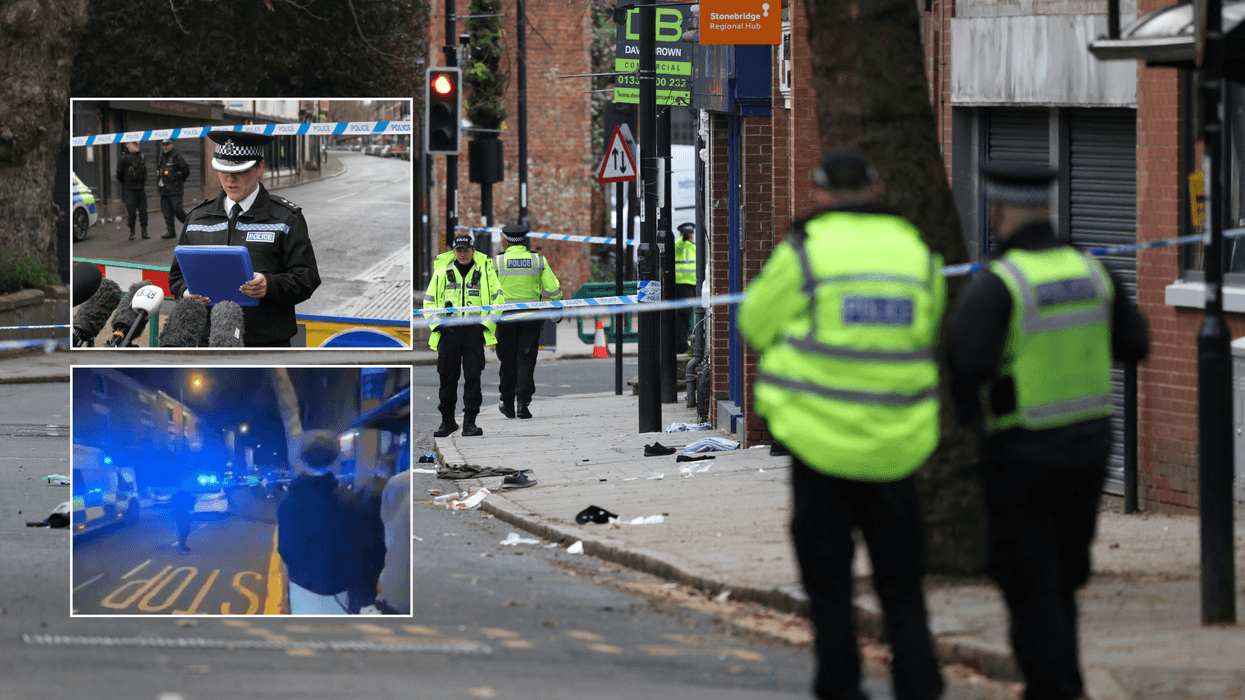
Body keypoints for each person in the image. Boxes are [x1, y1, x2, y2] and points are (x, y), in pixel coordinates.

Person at [739, 148, 946, 700]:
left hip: (820, 450)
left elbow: (754, 324)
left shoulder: (804, 253)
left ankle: (841, 687)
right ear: (876, 191)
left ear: (821, 194)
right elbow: (934, 333)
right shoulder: (917, 253)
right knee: (902, 587)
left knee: (828, 589)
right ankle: (919, 686)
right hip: (897, 450)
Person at [946, 162, 1149, 700]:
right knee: (1064, 578)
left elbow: (964, 363)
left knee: (1027, 580)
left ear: (996, 211)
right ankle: (1066, 682)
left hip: (1021, 453)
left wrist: (973, 413)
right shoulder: (1091, 270)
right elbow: (1135, 343)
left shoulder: (1001, 283)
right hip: (1088, 449)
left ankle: (1053, 688)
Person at [168, 131, 321, 347]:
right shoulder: (197, 217)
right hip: (208, 339)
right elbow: (176, 276)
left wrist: (270, 285)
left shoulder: (286, 218)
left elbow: (307, 277)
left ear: (260, 167)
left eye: (240, 171)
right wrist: (185, 293)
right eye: (223, 171)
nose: (230, 179)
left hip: (266, 343)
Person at [277, 430, 386, 614]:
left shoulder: (289, 501)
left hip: (302, 586)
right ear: (334, 458)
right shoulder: (350, 501)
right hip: (340, 590)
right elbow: (363, 553)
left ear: (302, 459)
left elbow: (285, 548)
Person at [425, 233, 503, 437]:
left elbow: (498, 300)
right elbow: (429, 302)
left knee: (473, 378)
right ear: (454, 251)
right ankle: (447, 422)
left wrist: (484, 325)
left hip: (473, 331)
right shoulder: (442, 270)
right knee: (447, 379)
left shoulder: (485, 270)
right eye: (458, 251)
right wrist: (439, 325)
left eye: (465, 250)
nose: (462, 254)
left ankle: (470, 423)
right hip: (449, 331)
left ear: (472, 250)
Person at [492, 223, 562, 419]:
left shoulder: (497, 262)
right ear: (525, 240)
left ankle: (507, 403)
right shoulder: (537, 260)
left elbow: (488, 291)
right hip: (531, 318)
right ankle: (523, 404)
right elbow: (554, 288)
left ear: (506, 240)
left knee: (507, 360)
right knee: (526, 359)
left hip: (505, 317)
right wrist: (557, 305)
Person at [156, 138, 190, 240]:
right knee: (166, 211)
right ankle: (171, 232)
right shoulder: (162, 156)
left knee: (177, 210)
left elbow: (186, 171)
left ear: (171, 144)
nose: (165, 146)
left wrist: (179, 181)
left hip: (175, 189)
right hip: (164, 189)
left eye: (167, 144)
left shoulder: (177, 156)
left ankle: (190, 226)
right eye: (163, 144)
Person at [115, 141, 149, 240]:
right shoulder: (124, 158)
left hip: (140, 189)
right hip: (130, 189)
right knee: (131, 212)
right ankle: (132, 232)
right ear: (128, 145)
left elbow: (145, 172)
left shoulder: (141, 156)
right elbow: (119, 174)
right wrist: (127, 183)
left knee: (143, 211)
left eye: (138, 144)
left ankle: (144, 231)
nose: (137, 146)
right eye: (134, 144)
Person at [673, 222, 697, 354]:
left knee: (686, 316)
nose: (690, 236)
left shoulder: (693, 247)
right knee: (682, 316)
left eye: (691, 233)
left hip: (692, 285)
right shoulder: (679, 245)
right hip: (681, 285)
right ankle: (681, 345)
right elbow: (679, 245)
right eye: (687, 233)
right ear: (681, 234)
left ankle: (683, 343)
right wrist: (683, 239)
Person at [169, 486, 196, 553]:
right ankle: (182, 547)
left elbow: (172, 505)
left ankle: (182, 546)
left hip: (180, 514)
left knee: (183, 531)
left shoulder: (176, 495)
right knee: (184, 531)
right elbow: (192, 503)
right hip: (183, 514)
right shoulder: (187, 495)